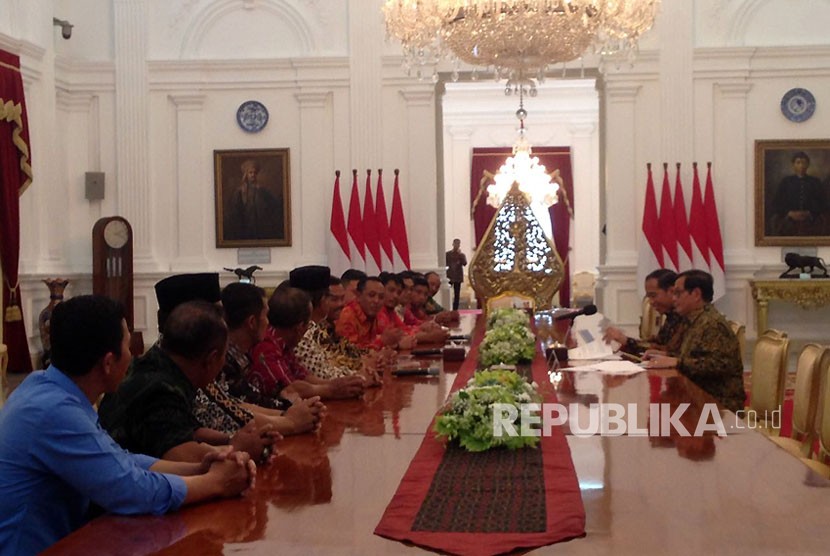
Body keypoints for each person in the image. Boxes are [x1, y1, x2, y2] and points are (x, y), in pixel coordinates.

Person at [0, 296, 254, 555]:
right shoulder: (54, 411)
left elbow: (119, 460)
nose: (133, 357)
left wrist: (199, 469)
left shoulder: (47, 387)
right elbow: (131, 490)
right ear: (108, 362)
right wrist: (216, 483)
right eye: (128, 346)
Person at [99, 300, 278, 462]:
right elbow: (179, 454)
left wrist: (232, 439)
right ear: (211, 359)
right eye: (224, 354)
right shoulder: (161, 389)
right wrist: (238, 449)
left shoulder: (157, 364)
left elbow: (188, 430)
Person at [644, 270, 746, 413]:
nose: (673, 299)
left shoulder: (712, 324)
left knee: (657, 415)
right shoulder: (694, 320)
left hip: (718, 404)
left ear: (696, 294)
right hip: (697, 398)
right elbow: (693, 355)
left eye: (678, 293)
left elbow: (717, 364)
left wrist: (677, 362)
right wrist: (667, 355)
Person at [248, 286, 367, 401]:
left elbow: (302, 375)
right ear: (300, 327)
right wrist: (330, 389)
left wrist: (343, 384)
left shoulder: (282, 342)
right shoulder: (266, 347)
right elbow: (290, 391)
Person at [603, 268, 687, 356]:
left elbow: (671, 353)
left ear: (671, 291)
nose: (650, 302)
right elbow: (656, 346)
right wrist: (624, 340)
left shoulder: (686, 317)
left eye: (653, 295)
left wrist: (625, 340)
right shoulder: (671, 317)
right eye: (649, 297)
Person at [769, 151, 828, 236]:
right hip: (788, 220)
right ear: (793, 165)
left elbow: (823, 204)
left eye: (804, 163)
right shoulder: (786, 182)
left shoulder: (815, 182)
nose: (801, 166)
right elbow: (776, 203)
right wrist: (789, 213)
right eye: (798, 162)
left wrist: (809, 213)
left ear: (808, 165)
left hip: (811, 220)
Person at [336, 276, 403, 349]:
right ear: (358, 296)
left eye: (381, 297)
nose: (376, 301)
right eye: (371, 295)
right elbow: (349, 352)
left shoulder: (373, 314)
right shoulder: (347, 316)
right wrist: (383, 341)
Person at [224, 158, 283, 241]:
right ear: (246, 174)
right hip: (244, 225)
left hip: (260, 227)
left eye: (255, 173)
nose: (253, 175)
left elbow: (272, 206)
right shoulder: (239, 192)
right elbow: (234, 211)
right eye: (250, 173)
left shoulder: (262, 190)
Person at [445, 238, 467, 311]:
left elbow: (464, 263)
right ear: (453, 244)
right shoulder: (447, 254)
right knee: (446, 291)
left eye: (458, 244)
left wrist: (460, 256)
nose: (456, 245)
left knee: (457, 294)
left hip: (458, 277)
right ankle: (447, 307)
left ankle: (455, 309)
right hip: (449, 276)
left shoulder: (461, 255)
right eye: (455, 244)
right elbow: (444, 263)